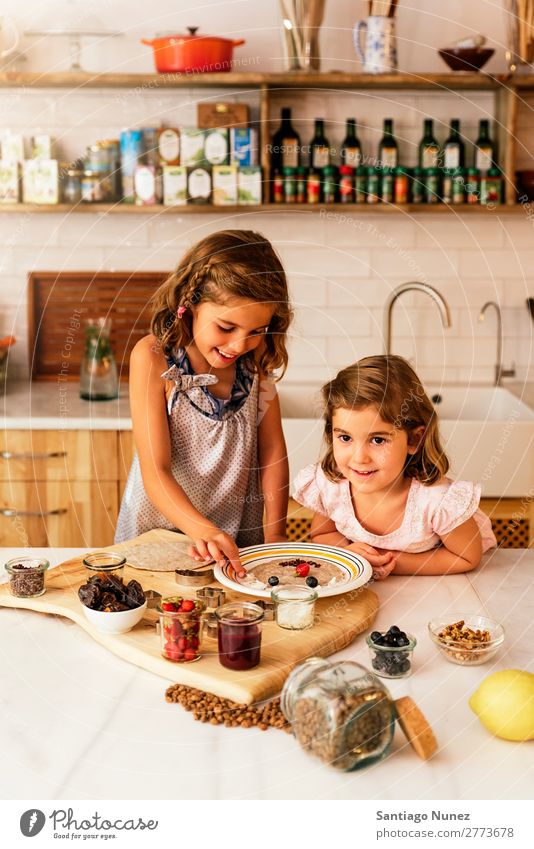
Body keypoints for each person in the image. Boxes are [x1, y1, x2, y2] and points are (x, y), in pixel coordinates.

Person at [115, 230, 293, 574]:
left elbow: (272, 454)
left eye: (256, 331)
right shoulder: (153, 358)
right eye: (226, 327)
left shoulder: (257, 364)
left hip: (236, 540)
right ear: (190, 303)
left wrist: (275, 539)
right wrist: (203, 531)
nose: (240, 345)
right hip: (158, 537)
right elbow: (156, 471)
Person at [293, 355, 496, 579]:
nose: (359, 458)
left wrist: (392, 562)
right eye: (345, 438)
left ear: (414, 440)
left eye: (378, 440)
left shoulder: (437, 501)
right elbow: (323, 533)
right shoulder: (332, 486)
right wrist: (347, 554)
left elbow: (467, 557)